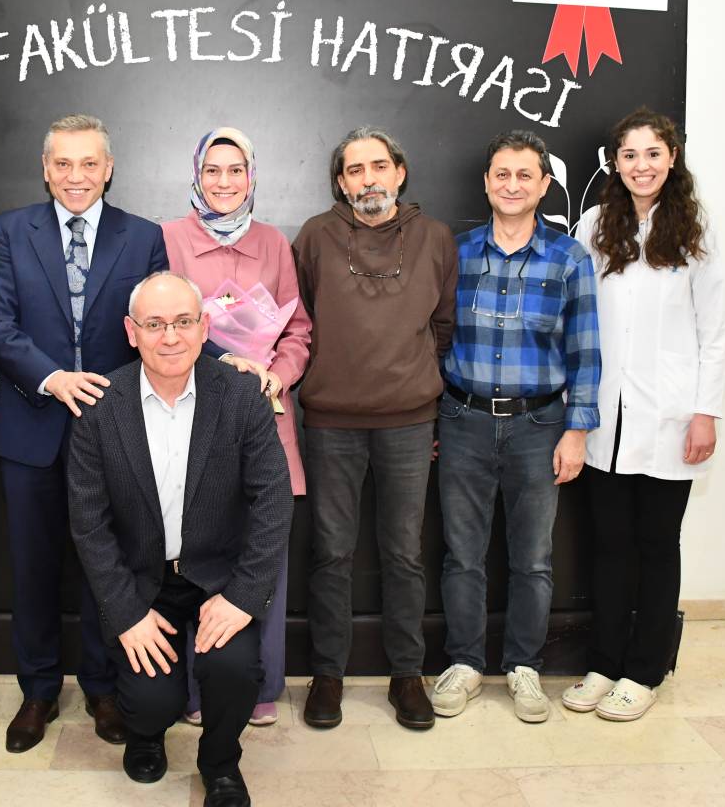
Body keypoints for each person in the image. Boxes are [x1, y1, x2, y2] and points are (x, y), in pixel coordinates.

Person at [67, 272, 293, 807]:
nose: (170, 336)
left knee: (233, 669)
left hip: (218, 576)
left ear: (204, 326)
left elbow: (273, 502)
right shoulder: (100, 408)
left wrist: (242, 597)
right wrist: (126, 613)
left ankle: (221, 762)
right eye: (154, 324)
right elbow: (89, 524)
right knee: (149, 700)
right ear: (131, 331)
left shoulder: (242, 395)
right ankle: (146, 735)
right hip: (142, 581)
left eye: (183, 322)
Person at [0, 113, 165, 751]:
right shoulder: (11, 231)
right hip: (31, 428)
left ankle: (103, 687)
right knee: (32, 568)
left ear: (109, 169)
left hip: (115, 433)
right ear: (45, 168)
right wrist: (52, 378)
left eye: (89, 163)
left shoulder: (143, 237)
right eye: (63, 163)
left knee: (106, 567)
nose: (76, 176)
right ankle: (37, 690)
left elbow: (159, 325)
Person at [562, 108, 725, 722]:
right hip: (605, 415)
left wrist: (705, 412)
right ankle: (605, 663)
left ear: (672, 157)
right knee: (609, 546)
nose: (641, 166)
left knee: (657, 546)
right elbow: (579, 318)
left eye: (653, 153)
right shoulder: (594, 225)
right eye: (630, 155)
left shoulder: (694, 228)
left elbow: (715, 330)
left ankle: (644, 670)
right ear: (616, 163)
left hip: (672, 415)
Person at [431, 129, 601, 724]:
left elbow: (585, 351)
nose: (512, 185)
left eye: (525, 175)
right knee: (462, 555)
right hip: (463, 420)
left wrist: (577, 430)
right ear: (486, 182)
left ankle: (524, 666)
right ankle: (465, 663)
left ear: (544, 185)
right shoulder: (455, 254)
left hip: (539, 425)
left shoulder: (569, 259)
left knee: (533, 559)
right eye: (502, 174)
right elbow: (433, 339)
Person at [293, 126, 457, 732]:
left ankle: (407, 674)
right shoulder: (315, 237)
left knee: (404, 554)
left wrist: (415, 383)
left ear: (399, 172)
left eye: (379, 166)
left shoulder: (435, 238)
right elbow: (301, 319)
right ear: (341, 182)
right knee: (331, 552)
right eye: (356, 170)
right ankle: (327, 674)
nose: (369, 179)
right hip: (331, 422)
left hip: (408, 422)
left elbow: (444, 325)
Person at [161, 127, 312, 727]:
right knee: (196, 556)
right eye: (212, 170)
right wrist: (218, 361)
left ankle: (261, 685)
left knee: (263, 553)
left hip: (264, 417)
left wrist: (276, 374)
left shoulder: (275, 242)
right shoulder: (168, 239)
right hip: (192, 416)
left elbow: (298, 330)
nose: (224, 182)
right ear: (196, 175)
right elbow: (156, 322)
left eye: (235, 170)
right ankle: (200, 689)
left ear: (252, 177)